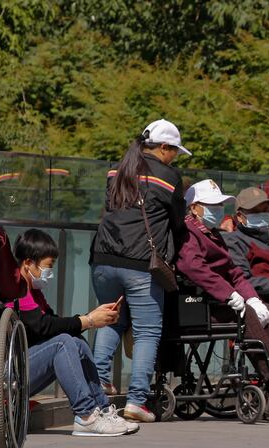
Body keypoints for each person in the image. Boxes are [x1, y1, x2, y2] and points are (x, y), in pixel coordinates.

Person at [90, 118, 188, 423]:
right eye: (174, 151)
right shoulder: (169, 177)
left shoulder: (116, 170)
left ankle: (98, 386)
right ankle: (136, 401)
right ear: (163, 148)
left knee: (110, 319)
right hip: (141, 265)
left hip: (103, 258)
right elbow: (178, 222)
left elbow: (111, 206)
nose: (175, 157)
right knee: (147, 331)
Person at [176, 179, 269, 417]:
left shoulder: (212, 235)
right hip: (203, 304)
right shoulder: (188, 233)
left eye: (220, 205)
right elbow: (195, 269)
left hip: (220, 299)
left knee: (265, 309)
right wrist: (229, 294)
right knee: (249, 314)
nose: (218, 210)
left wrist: (251, 297)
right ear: (194, 207)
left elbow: (235, 273)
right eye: (212, 205)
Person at [8, 229, 138, 436]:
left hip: (23, 366)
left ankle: (102, 410)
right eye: (47, 266)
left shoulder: (34, 291)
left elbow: (53, 323)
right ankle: (85, 415)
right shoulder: (15, 289)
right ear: (28, 263)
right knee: (62, 343)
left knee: (75, 341)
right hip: (7, 374)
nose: (50, 273)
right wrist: (87, 321)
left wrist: (90, 318)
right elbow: (42, 326)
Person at [222, 187, 269, 309]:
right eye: (255, 211)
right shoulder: (234, 241)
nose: (262, 215)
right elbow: (242, 279)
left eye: (265, 209)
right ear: (240, 217)